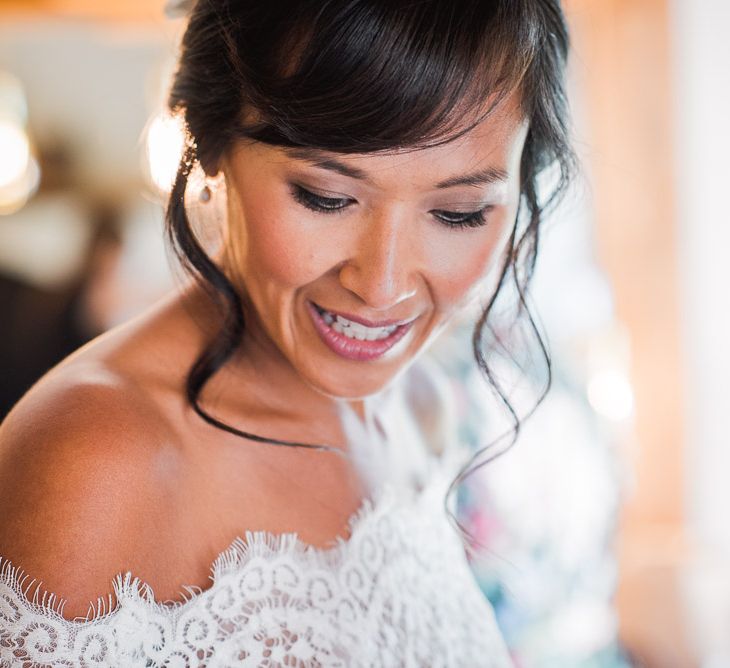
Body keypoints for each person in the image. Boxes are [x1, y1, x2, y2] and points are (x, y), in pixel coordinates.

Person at [0, 0, 573, 665]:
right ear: (211, 143)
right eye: (327, 197)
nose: (382, 285)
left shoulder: (424, 408)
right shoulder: (98, 462)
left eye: (459, 212)